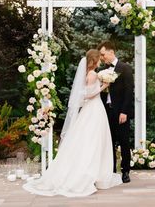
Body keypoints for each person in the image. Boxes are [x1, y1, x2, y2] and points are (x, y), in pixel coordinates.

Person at [23, 49, 122, 197]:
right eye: (99, 59)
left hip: (91, 110)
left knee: (87, 140)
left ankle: (93, 173)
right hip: (94, 109)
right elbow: (88, 95)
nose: (101, 61)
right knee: (94, 141)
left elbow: (83, 94)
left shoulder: (87, 74)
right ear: (94, 60)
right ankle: (92, 174)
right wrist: (103, 87)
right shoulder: (93, 74)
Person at [97, 41, 134, 183]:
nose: (102, 57)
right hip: (106, 111)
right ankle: (111, 171)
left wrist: (124, 112)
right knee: (109, 142)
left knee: (124, 141)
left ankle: (125, 172)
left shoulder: (125, 68)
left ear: (111, 52)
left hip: (121, 112)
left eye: (103, 54)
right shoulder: (102, 71)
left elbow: (129, 92)